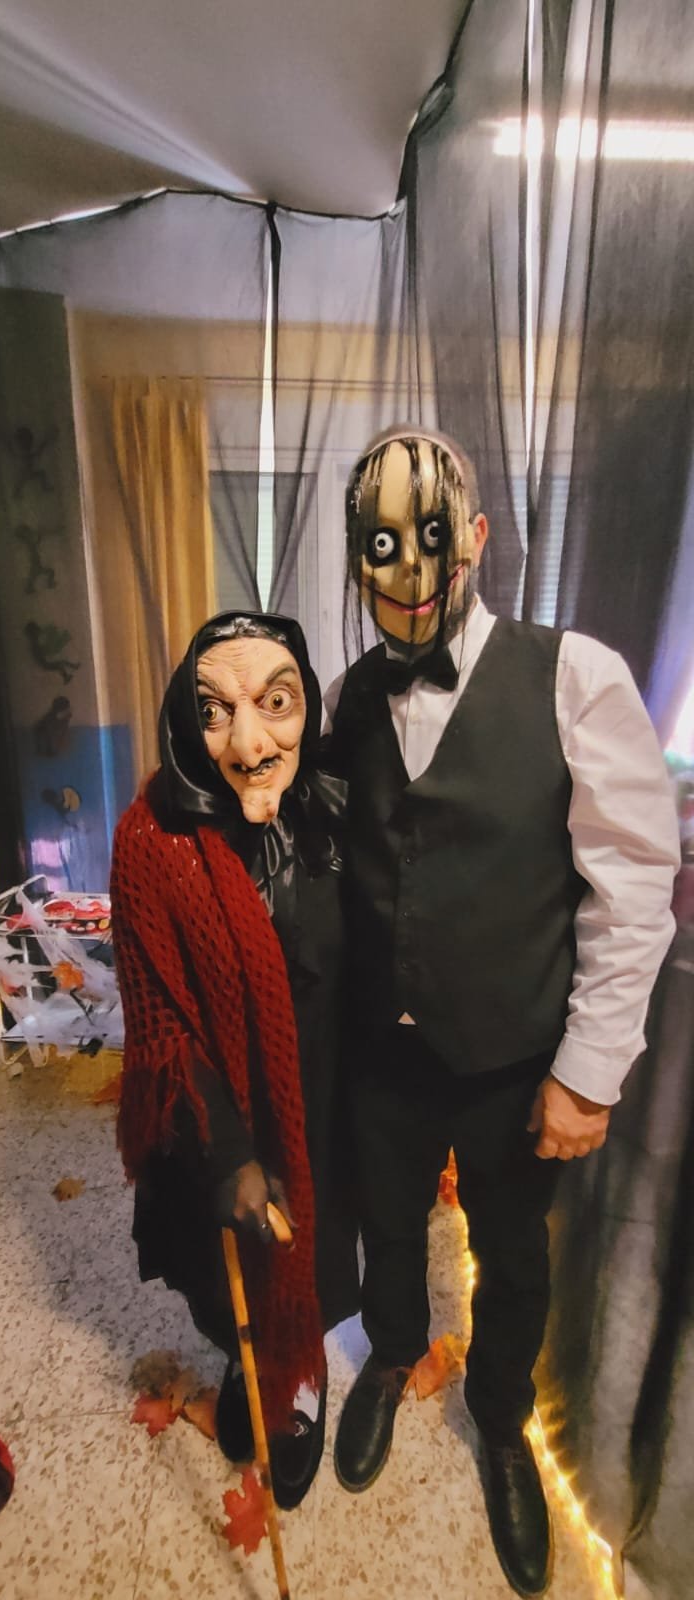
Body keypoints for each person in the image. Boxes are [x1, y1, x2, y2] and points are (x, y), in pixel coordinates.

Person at [325, 425, 680, 1596]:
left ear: (476, 536)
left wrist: (588, 1071)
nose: (409, 569)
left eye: (431, 536)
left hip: (513, 1054)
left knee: (514, 1253)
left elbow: (632, 886)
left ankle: (500, 1415)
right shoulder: (345, 694)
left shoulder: (576, 676)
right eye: (382, 544)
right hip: (381, 1051)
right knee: (385, 1222)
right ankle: (390, 1356)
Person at [110, 610, 358, 1511]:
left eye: (275, 704)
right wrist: (228, 1155)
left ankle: (301, 1380)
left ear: (308, 707)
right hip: (217, 1112)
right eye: (215, 713)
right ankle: (250, 1361)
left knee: (313, 1253)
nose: (250, 746)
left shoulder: (340, 815)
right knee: (226, 1270)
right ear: (185, 718)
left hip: (325, 1097)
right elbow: (160, 1025)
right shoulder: (151, 844)